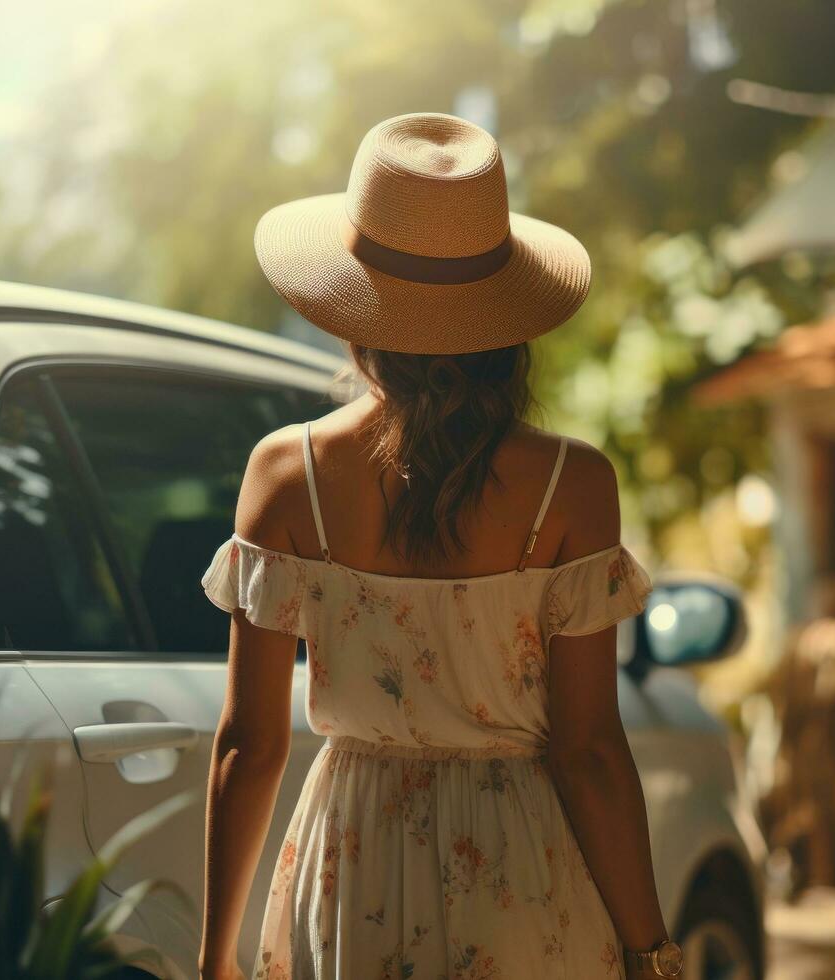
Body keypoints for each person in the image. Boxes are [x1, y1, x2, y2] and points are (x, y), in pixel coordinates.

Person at [198, 112, 680, 980]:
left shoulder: (286, 474)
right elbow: (590, 751)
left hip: (352, 871)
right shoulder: (570, 486)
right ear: (505, 322)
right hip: (522, 875)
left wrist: (214, 955)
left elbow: (250, 744)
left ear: (355, 308)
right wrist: (649, 950)